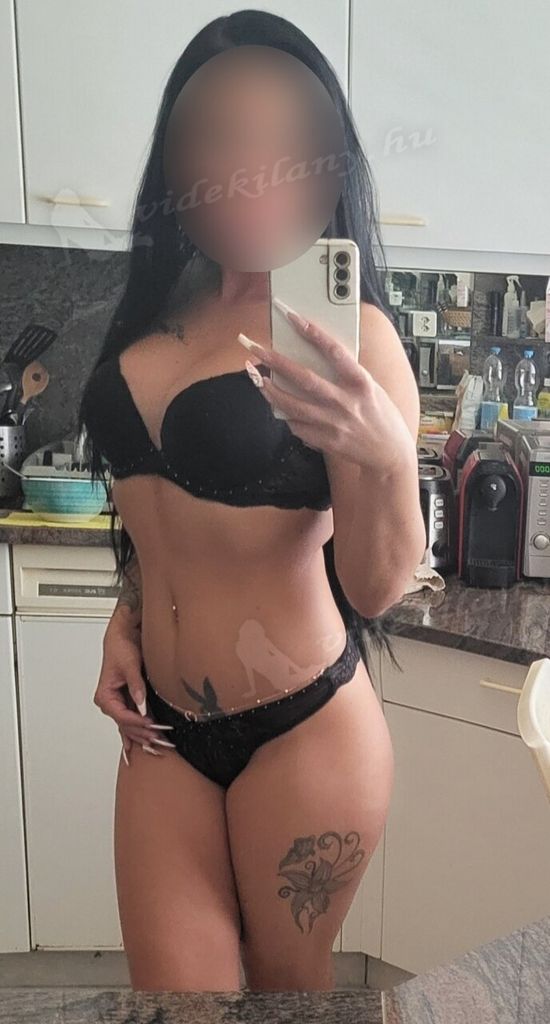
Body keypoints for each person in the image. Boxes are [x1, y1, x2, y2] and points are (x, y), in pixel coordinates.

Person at [78, 9, 426, 994]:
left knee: (285, 998)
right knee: (176, 1002)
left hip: (304, 727)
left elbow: (376, 585)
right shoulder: (160, 304)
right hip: (161, 728)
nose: (250, 168)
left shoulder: (349, 332)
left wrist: (385, 460)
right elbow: (160, 511)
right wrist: (127, 614)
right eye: (221, 137)